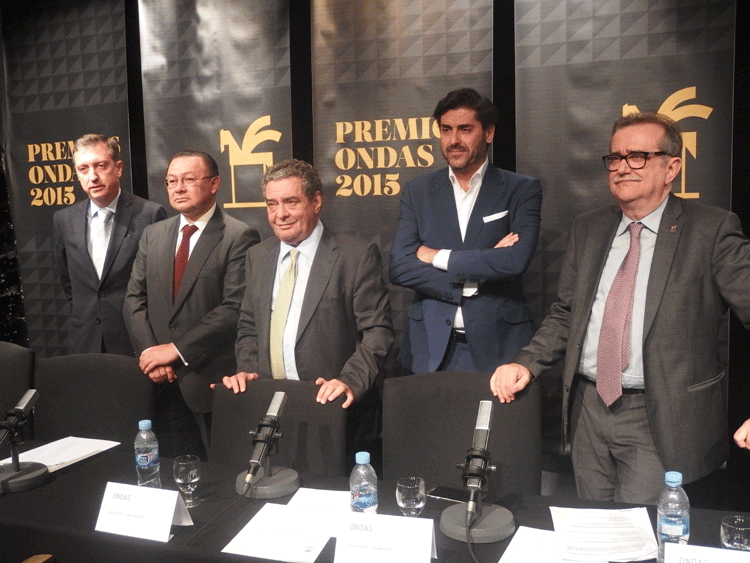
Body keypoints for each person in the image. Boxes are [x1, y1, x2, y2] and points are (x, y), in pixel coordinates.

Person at [490, 112, 750, 503]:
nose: (622, 167)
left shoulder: (711, 230)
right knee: (592, 527)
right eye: (615, 157)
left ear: (672, 168)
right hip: (588, 410)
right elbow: (567, 314)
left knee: (639, 532)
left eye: (638, 157)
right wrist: (525, 363)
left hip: (661, 416)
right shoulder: (589, 228)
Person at [215, 159, 394, 410]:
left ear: (316, 201)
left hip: (332, 403)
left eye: (291, 202)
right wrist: (249, 371)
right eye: (272, 204)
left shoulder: (355, 256)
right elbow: (249, 326)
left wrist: (349, 381)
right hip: (269, 401)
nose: (280, 214)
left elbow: (377, 332)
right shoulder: (257, 256)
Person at [389, 88, 542, 374]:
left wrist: (436, 256)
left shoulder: (521, 189)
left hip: (499, 348)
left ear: (489, 133)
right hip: (429, 350)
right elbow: (400, 267)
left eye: (465, 129)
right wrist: (476, 276)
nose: (454, 140)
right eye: (446, 130)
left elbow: (514, 260)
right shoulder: (417, 191)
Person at [123, 150, 259, 458]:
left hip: (207, 379)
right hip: (157, 381)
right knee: (170, 468)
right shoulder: (153, 234)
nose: (178, 188)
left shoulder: (239, 235)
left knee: (217, 470)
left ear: (214, 183)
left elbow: (234, 308)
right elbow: (134, 299)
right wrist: (151, 354)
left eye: (188, 180)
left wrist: (176, 350)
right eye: (172, 181)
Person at [53, 134, 167, 356]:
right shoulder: (63, 219)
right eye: (83, 169)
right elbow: (67, 282)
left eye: (100, 166)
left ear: (118, 168)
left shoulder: (150, 214)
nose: (93, 177)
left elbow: (161, 286)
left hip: (134, 342)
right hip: (85, 341)